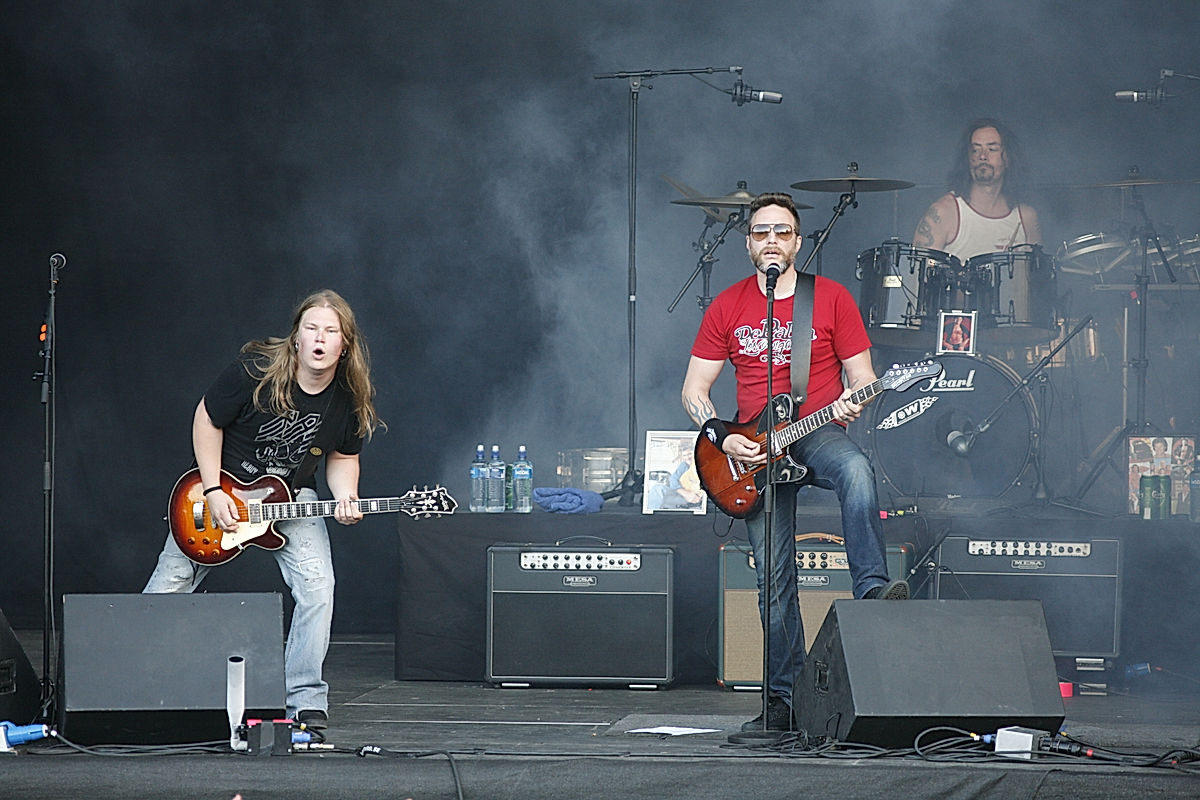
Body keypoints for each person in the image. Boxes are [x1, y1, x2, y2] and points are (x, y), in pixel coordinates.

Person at [681, 192, 907, 732]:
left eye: (782, 231)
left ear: (798, 241)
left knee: (855, 470)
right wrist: (721, 435)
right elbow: (694, 390)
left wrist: (858, 398)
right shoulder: (729, 305)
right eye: (762, 232)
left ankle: (871, 588)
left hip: (814, 430)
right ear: (748, 244)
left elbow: (863, 378)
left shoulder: (829, 298)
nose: (772, 241)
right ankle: (786, 701)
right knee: (772, 581)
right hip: (752, 448)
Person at [144, 289, 382, 730]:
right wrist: (214, 489)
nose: (319, 337)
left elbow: (344, 456)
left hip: (291, 497)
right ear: (296, 337)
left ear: (344, 345)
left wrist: (347, 495)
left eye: (330, 331)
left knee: (318, 589)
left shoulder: (347, 398)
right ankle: (129, 684)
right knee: (170, 585)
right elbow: (207, 418)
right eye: (311, 328)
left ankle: (306, 698)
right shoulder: (255, 371)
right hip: (220, 489)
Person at [913, 118, 1042, 263]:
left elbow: (1037, 279)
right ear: (967, 158)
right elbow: (918, 278)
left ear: (1008, 158)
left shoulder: (1026, 217)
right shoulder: (943, 213)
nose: (982, 156)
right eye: (975, 150)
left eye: (992, 149)